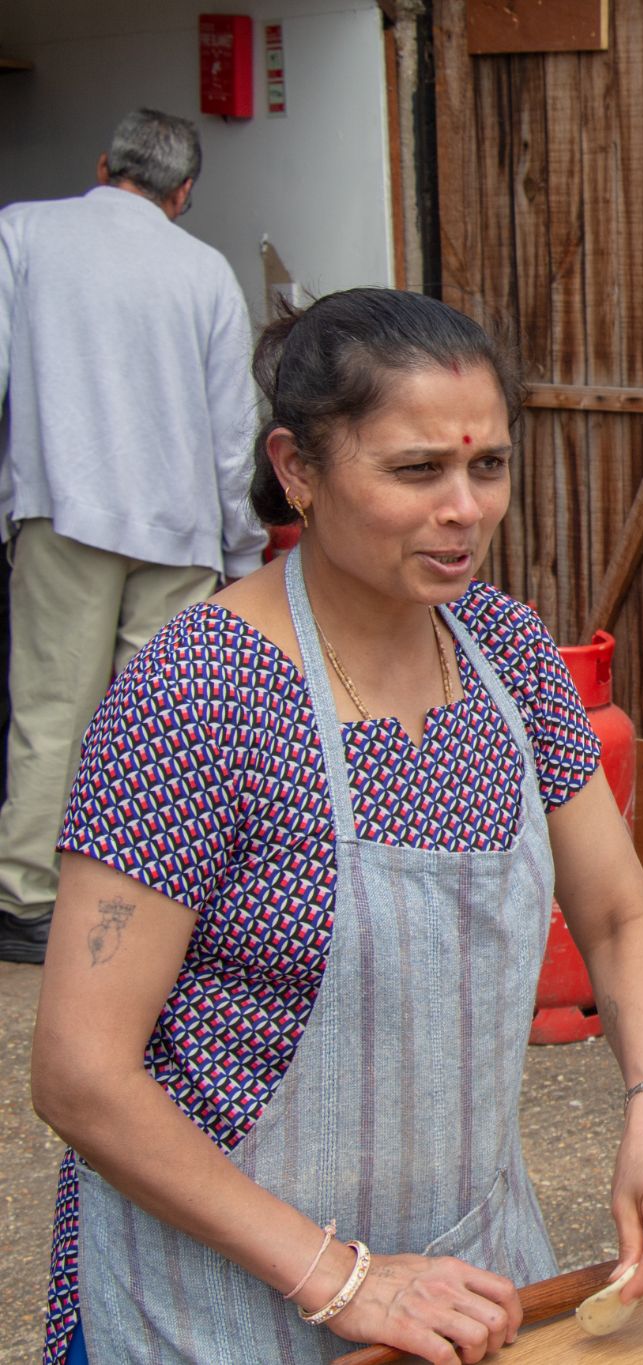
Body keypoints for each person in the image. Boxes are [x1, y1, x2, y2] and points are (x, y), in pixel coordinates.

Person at [30, 289, 643, 1365]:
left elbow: (623, 918)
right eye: (414, 471)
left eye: (485, 467)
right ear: (298, 469)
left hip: (466, 1272)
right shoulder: (194, 695)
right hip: (217, 1295)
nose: (466, 509)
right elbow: (80, 1072)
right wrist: (338, 1278)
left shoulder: (508, 656)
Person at [0, 108, 269, 965]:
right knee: (163, 726)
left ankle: (27, 899)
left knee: (53, 709)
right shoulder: (205, 273)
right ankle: (151, 904)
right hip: (181, 526)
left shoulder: (24, 233)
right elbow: (236, 432)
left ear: (101, 162)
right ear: (183, 193)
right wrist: (240, 549)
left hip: (64, 507)